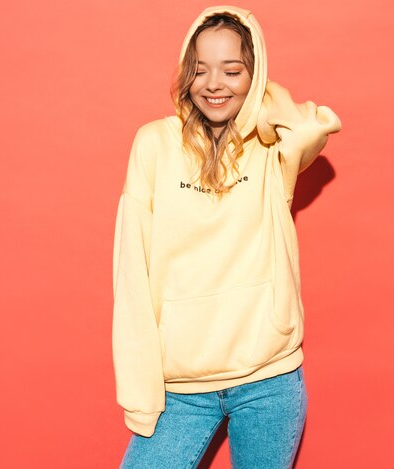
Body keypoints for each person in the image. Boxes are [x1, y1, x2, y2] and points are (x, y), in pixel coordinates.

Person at [112, 5, 341, 468]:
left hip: (269, 381)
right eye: (199, 69)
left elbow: (313, 126)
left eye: (232, 70)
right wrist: (140, 394)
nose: (214, 83)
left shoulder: (271, 147)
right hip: (180, 389)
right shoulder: (154, 144)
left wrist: (259, 95)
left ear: (253, 76)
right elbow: (130, 269)